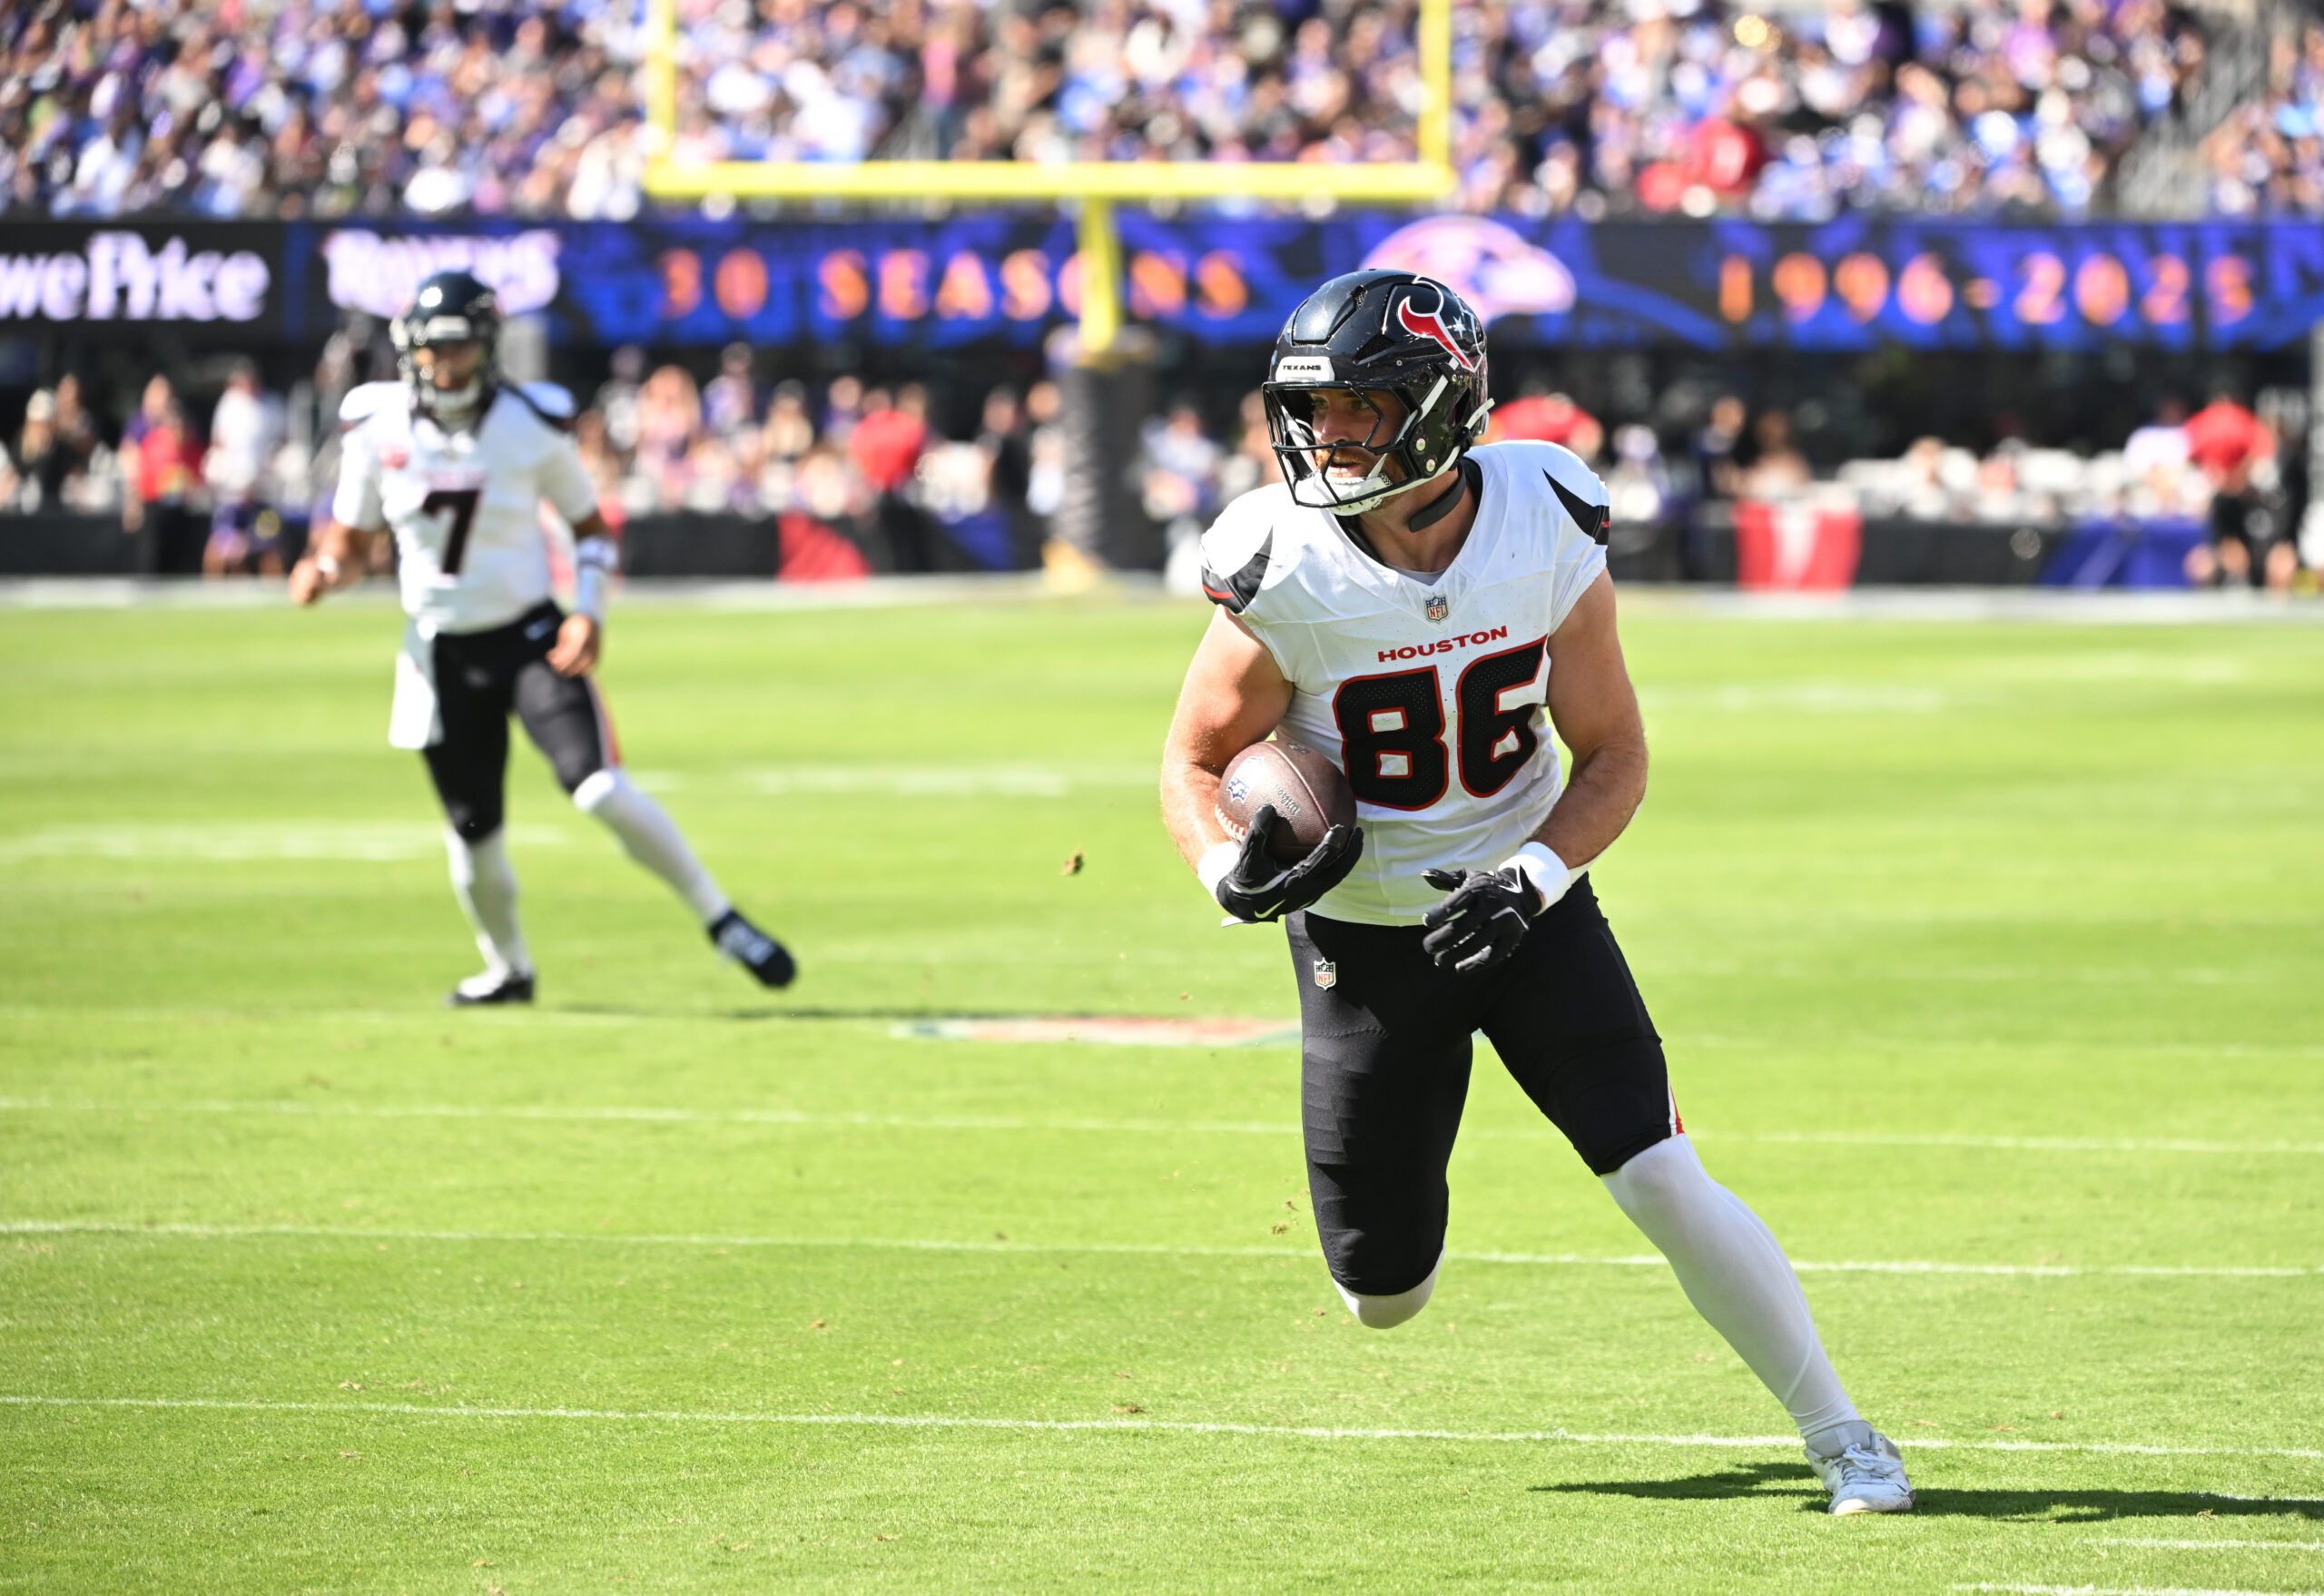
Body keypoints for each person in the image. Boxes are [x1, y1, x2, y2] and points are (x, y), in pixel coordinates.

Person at [1157, 270, 1914, 1516]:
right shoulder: (1279, 559)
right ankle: (1412, 1172)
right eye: (1315, 409)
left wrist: (1535, 874)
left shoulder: (1547, 511)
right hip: (1366, 936)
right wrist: (1223, 866)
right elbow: (1190, 760)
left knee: (1659, 1167)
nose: (1328, 435)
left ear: (1443, 405)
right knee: (1381, 1291)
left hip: (1525, 903)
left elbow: (1614, 749)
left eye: (1360, 405)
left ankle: (1844, 1433)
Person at [287, 270, 795, 1006]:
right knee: (473, 833)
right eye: (430, 350)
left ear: (487, 348)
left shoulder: (528, 424)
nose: (441, 365)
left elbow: (590, 532)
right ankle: (507, 968)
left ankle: (721, 919)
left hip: (529, 636)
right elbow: (352, 543)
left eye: (457, 349)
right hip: (439, 651)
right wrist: (325, 571)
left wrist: (589, 611)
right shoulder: (379, 428)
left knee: (598, 790)